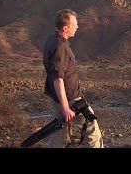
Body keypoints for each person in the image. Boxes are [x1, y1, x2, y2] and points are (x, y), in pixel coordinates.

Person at [42, 9, 103, 148]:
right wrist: (65, 107)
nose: (77, 26)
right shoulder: (60, 47)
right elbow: (58, 78)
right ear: (65, 28)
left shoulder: (52, 40)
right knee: (93, 133)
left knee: (58, 137)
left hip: (58, 97)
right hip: (71, 100)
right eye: (74, 24)